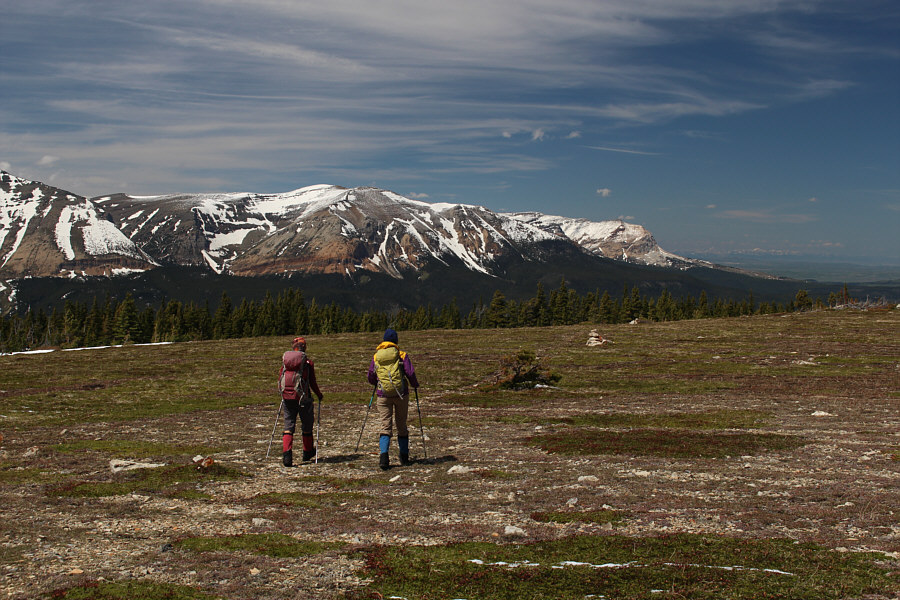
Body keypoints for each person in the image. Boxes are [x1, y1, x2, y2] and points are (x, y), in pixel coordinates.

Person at [367, 328, 419, 470]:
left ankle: (384, 457)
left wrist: (377, 383)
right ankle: (404, 456)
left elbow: (371, 375)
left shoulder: (376, 356)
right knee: (401, 425)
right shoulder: (402, 355)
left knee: (386, 425)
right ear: (396, 341)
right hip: (401, 394)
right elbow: (410, 373)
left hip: (383, 395)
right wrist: (415, 385)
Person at [280, 336, 323, 467]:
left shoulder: (286, 363)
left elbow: (280, 377)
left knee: (288, 425)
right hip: (304, 398)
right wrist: (319, 395)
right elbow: (312, 382)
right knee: (307, 424)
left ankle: (287, 455)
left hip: (287, 397)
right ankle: (307, 451)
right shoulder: (308, 363)